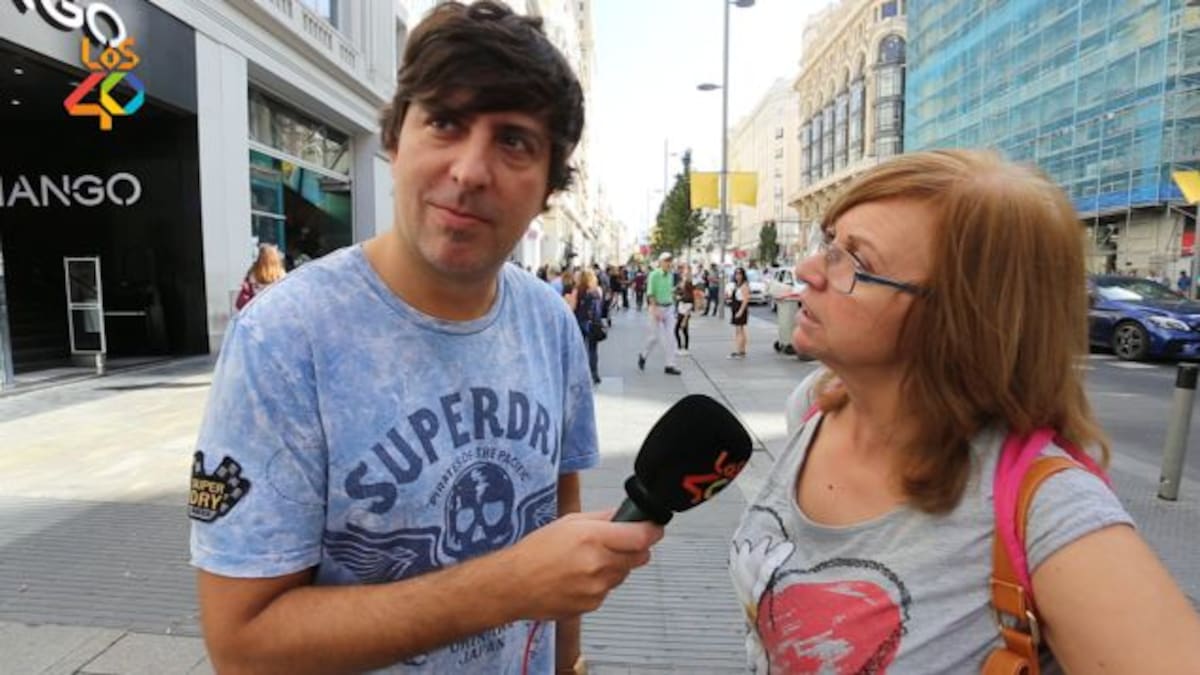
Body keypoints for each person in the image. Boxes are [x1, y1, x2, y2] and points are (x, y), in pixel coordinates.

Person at [189, 4, 663, 674]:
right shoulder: (283, 338)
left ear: (548, 189)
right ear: (395, 138)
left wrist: (569, 665)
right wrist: (506, 588)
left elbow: (561, 515)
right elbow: (242, 645)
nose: (469, 170)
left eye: (514, 141)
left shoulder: (549, 321)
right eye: (445, 122)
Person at [730, 150, 1200, 673]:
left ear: (958, 318)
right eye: (830, 241)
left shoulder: (1050, 511)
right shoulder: (818, 403)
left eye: (855, 261)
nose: (807, 270)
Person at [636, 252, 681, 375]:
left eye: (670, 261)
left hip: (669, 307)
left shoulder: (671, 275)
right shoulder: (654, 275)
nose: (669, 263)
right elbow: (650, 293)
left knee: (670, 337)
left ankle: (670, 365)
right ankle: (643, 355)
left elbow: (668, 290)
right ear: (660, 262)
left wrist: (674, 295)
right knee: (655, 337)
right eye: (666, 261)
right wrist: (655, 310)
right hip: (657, 307)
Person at [235, 243, 286, 311]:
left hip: (256, 311)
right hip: (275, 311)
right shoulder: (281, 274)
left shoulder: (252, 272)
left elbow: (241, 303)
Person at [575, 268, 604, 385]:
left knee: (580, 349)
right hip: (594, 323)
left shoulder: (578, 290)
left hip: (580, 321)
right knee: (593, 349)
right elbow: (600, 307)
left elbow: (575, 307)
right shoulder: (597, 291)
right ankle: (594, 373)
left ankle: (580, 374)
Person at [727, 266, 749, 358]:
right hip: (736, 307)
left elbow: (745, 300)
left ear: (743, 275)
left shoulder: (744, 285)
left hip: (740, 308)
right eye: (736, 273)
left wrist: (740, 311)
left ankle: (739, 351)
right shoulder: (737, 285)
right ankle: (742, 350)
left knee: (739, 330)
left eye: (740, 274)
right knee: (740, 330)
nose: (738, 276)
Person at [674, 262, 695, 356]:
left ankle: (684, 348)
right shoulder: (683, 284)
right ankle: (681, 347)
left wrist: (685, 320)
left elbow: (689, 308)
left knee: (682, 329)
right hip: (681, 310)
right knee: (680, 330)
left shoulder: (688, 286)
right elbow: (677, 290)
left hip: (684, 312)